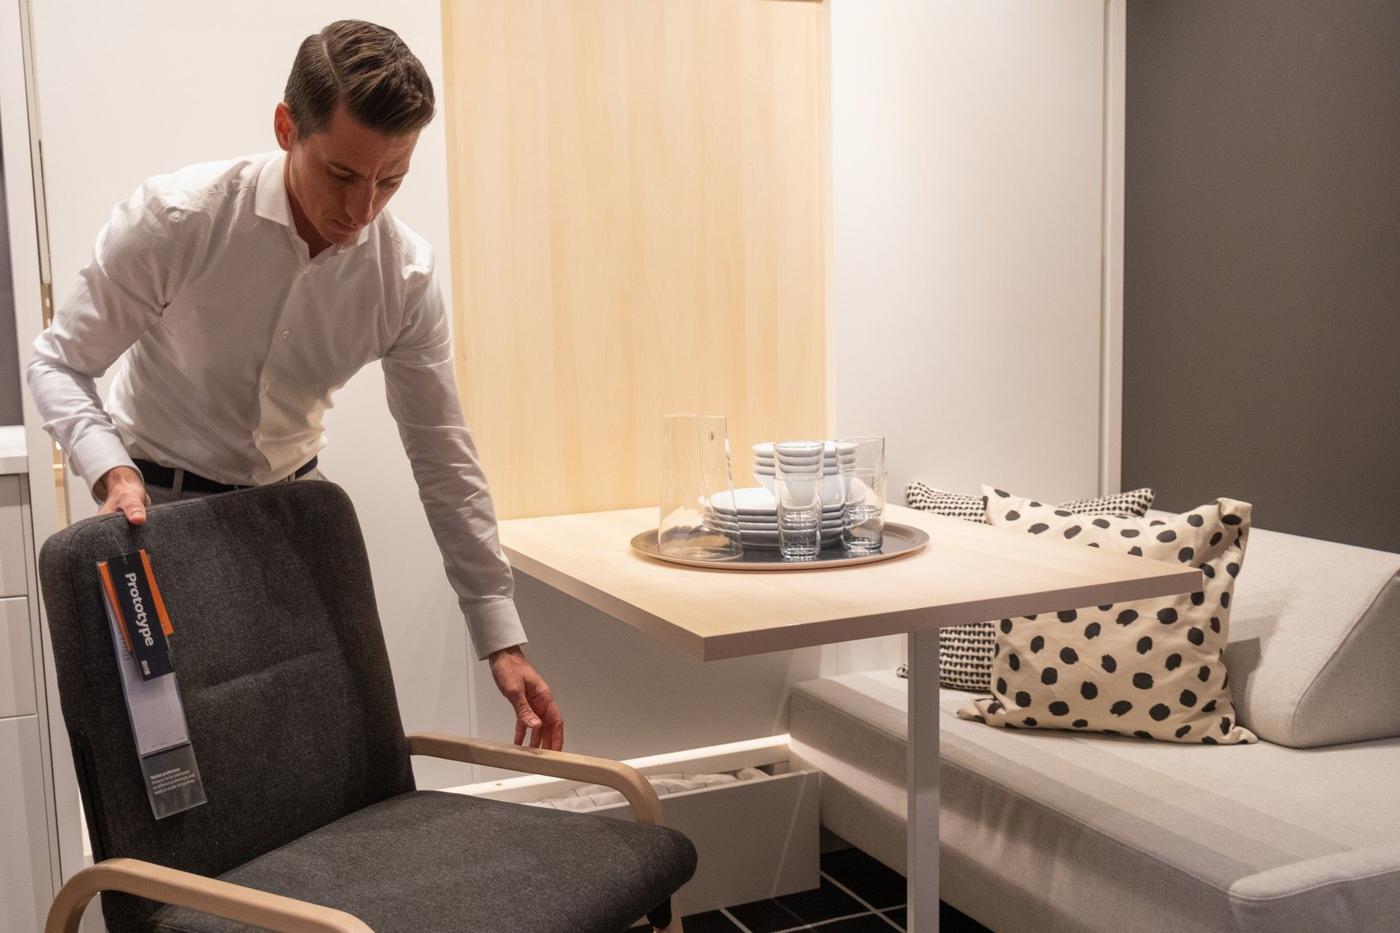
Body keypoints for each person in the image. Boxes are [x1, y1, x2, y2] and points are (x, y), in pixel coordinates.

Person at [27, 20, 564, 751]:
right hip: (152, 520)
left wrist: (500, 637)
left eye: (391, 180)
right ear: (287, 128)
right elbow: (57, 361)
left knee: (300, 758)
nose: (361, 209)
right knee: (170, 772)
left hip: (288, 524)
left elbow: (444, 459)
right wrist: (109, 467)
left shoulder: (401, 277)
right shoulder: (178, 220)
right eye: (343, 174)